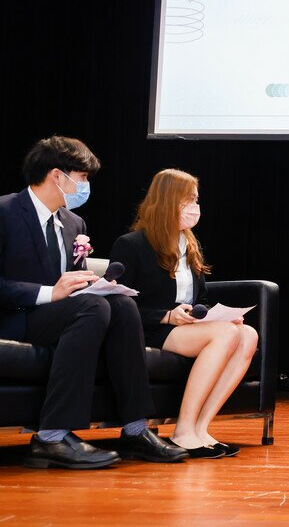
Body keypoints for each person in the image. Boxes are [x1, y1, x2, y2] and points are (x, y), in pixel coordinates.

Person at [0, 136, 189, 468]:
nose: (85, 186)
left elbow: (72, 282)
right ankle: (52, 436)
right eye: (82, 177)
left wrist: (93, 284)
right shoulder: (5, 212)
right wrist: (50, 293)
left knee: (121, 305)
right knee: (93, 307)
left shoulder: (74, 223)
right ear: (58, 175)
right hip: (16, 316)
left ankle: (135, 429)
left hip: (62, 316)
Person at [110, 169, 258, 459]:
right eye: (187, 200)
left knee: (247, 334)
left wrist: (219, 316)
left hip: (186, 328)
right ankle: (183, 429)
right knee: (227, 333)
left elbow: (199, 300)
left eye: (196, 200)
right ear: (167, 201)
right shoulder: (131, 245)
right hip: (150, 328)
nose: (194, 207)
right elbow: (119, 305)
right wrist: (166, 316)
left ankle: (201, 429)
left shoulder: (189, 245)